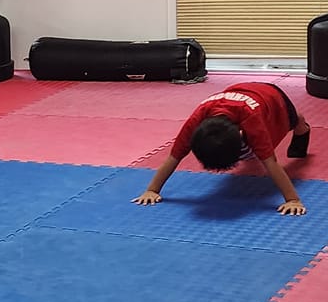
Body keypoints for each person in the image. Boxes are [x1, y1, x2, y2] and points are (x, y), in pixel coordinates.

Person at [134, 81, 313, 215]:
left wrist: (293, 200)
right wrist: (152, 190)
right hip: (239, 90)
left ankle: (302, 126)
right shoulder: (196, 121)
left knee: (293, 121)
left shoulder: (251, 122)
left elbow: (271, 163)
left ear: (241, 135)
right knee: (253, 153)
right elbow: (174, 156)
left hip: (273, 96)